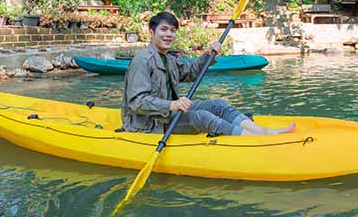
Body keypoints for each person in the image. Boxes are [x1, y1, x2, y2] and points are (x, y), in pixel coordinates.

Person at [121, 11, 296, 136]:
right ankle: (250, 138)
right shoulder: (141, 61)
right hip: (149, 123)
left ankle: (263, 132)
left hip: (167, 114)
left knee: (218, 105)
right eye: (164, 29)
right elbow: (137, 102)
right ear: (152, 32)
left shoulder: (169, 59)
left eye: (172, 31)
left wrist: (206, 55)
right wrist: (172, 104)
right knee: (203, 117)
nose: (169, 34)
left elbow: (190, 72)